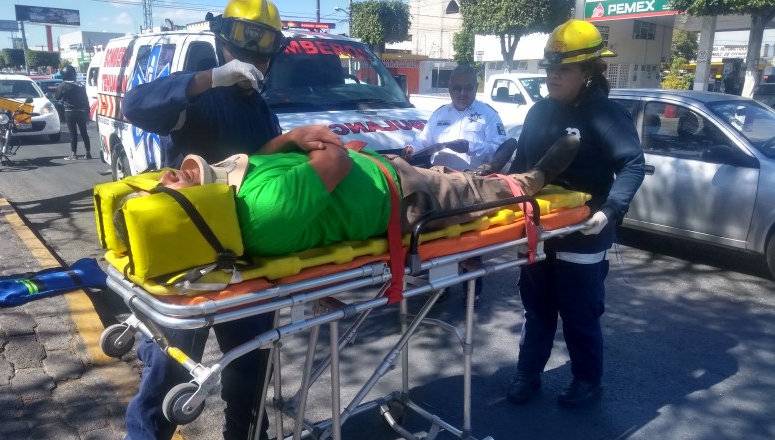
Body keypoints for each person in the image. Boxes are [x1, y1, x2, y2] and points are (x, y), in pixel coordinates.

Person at [112, 0, 301, 440]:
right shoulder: (197, 97)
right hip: (189, 260)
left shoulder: (262, 110)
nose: (255, 58)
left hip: (245, 255)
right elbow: (135, 106)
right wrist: (208, 80)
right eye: (247, 45)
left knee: (251, 360)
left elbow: (258, 171)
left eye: (265, 49)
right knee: (169, 362)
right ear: (224, 43)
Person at [114, 128, 582, 258]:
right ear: (187, 215)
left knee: (451, 175)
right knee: (467, 192)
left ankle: (483, 171)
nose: (166, 176)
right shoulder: (259, 215)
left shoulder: (231, 191)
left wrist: (293, 139)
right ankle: (526, 180)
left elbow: (263, 159)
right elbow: (333, 163)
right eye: (166, 189)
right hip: (398, 196)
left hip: (378, 171)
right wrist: (317, 144)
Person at [505, 19, 645, 409]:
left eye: (563, 69)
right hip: (538, 227)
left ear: (587, 73)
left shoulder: (606, 115)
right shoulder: (538, 113)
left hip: (585, 228)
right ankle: (528, 373)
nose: (553, 76)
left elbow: (632, 165)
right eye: (550, 68)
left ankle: (587, 380)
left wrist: (611, 211)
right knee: (537, 309)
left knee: (579, 312)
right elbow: (523, 167)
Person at [402, 64, 511, 305]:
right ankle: (439, 287)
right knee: (440, 236)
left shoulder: (487, 114)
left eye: (469, 88)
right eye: (457, 88)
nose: (463, 93)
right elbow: (423, 139)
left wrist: (470, 146)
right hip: (439, 185)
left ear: (476, 88)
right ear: (449, 89)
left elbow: (499, 147)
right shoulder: (440, 113)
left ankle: (473, 290)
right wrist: (412, 148)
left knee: (472, 238)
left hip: (471, 184)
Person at [54, 65, 91, 160]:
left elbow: (57, 97)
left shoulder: (62, 86)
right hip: (81, 112)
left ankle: (73, 154)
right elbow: (86, 100)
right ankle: (88, 153)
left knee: (73, 134)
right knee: (84, 133)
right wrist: (87, 114)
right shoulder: (80, 85)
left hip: (69, 112)